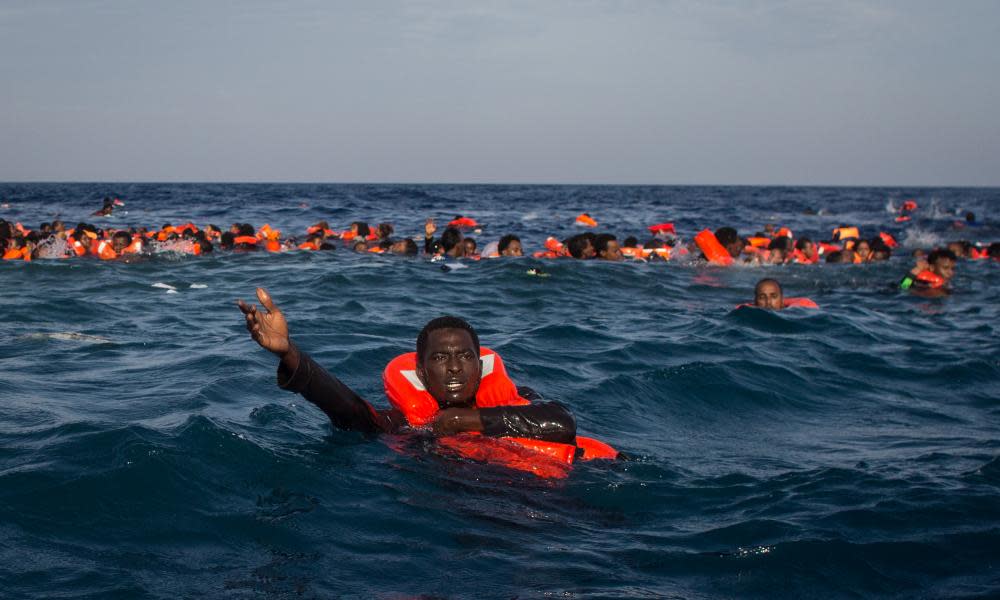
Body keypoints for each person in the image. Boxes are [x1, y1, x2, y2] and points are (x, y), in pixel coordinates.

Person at [237, 288, 577, 442]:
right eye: (441, 358)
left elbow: (562, 423)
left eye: (465, 356)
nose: (455, 367)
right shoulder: (407, 424)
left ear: (481, 363)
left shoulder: (513, 399)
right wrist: (289, 353)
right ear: (420, 372)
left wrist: (465, 420)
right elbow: (351, 411)